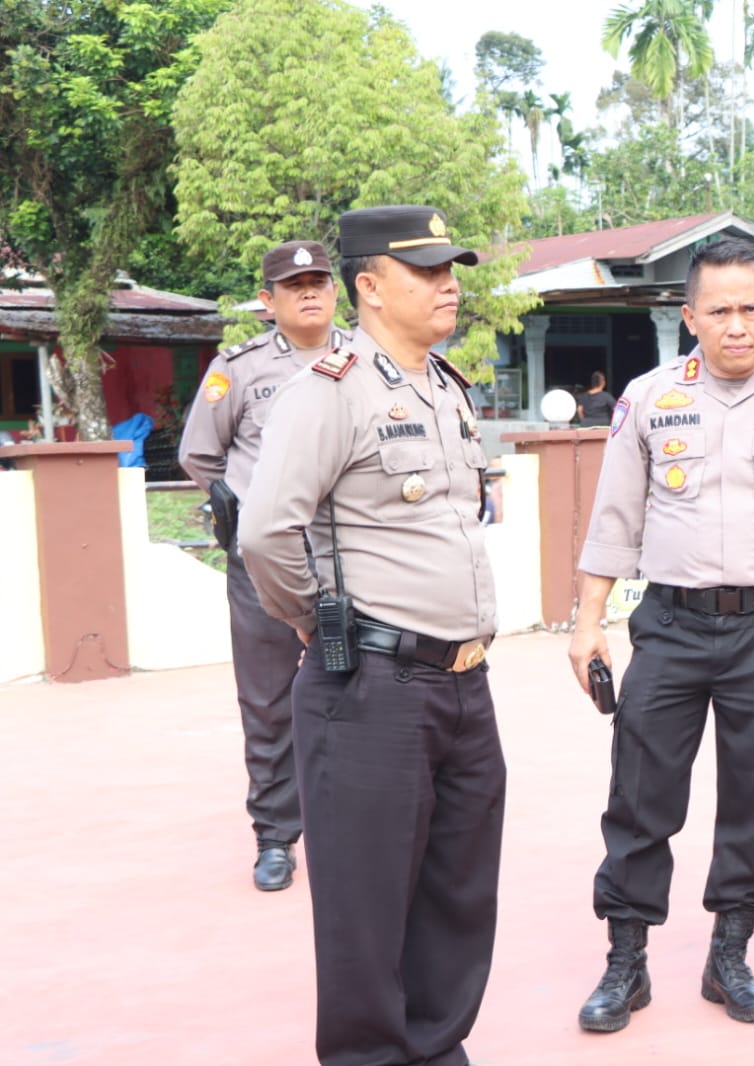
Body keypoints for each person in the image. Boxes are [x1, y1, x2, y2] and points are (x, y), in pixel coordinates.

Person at [567, 237, 754, 1034]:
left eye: (751, 309)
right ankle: (624, 963)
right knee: (640, 794)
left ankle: (729, 954)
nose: (736, 326)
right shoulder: (648, 397)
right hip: (668, 625)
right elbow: (613, 518)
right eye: (719, 311)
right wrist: (587, 621)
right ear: (690, 317)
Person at [237, 206, 503, 1066]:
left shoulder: (446, 388)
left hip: (464, 683)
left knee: (457, 896)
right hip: (372, 688)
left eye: (450, 268)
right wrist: (325, 627)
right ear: (370, 286)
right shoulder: (328, 390)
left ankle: (435, 1047)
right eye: (426, 271)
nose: (448, 283)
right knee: (365, 907)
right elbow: (266, 534)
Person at [177, 239, 343, 892]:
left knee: (358, 690)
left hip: (348, 558)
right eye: (292, 284)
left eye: (318, 281)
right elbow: (201, 455)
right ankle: (276, 835)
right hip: (265, 562)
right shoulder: (239, 369)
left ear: (336, 291)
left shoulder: (366, 359)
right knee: (270, 701)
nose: (308, 292)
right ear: (267, 302)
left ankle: (349, 823)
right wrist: (243, 508)